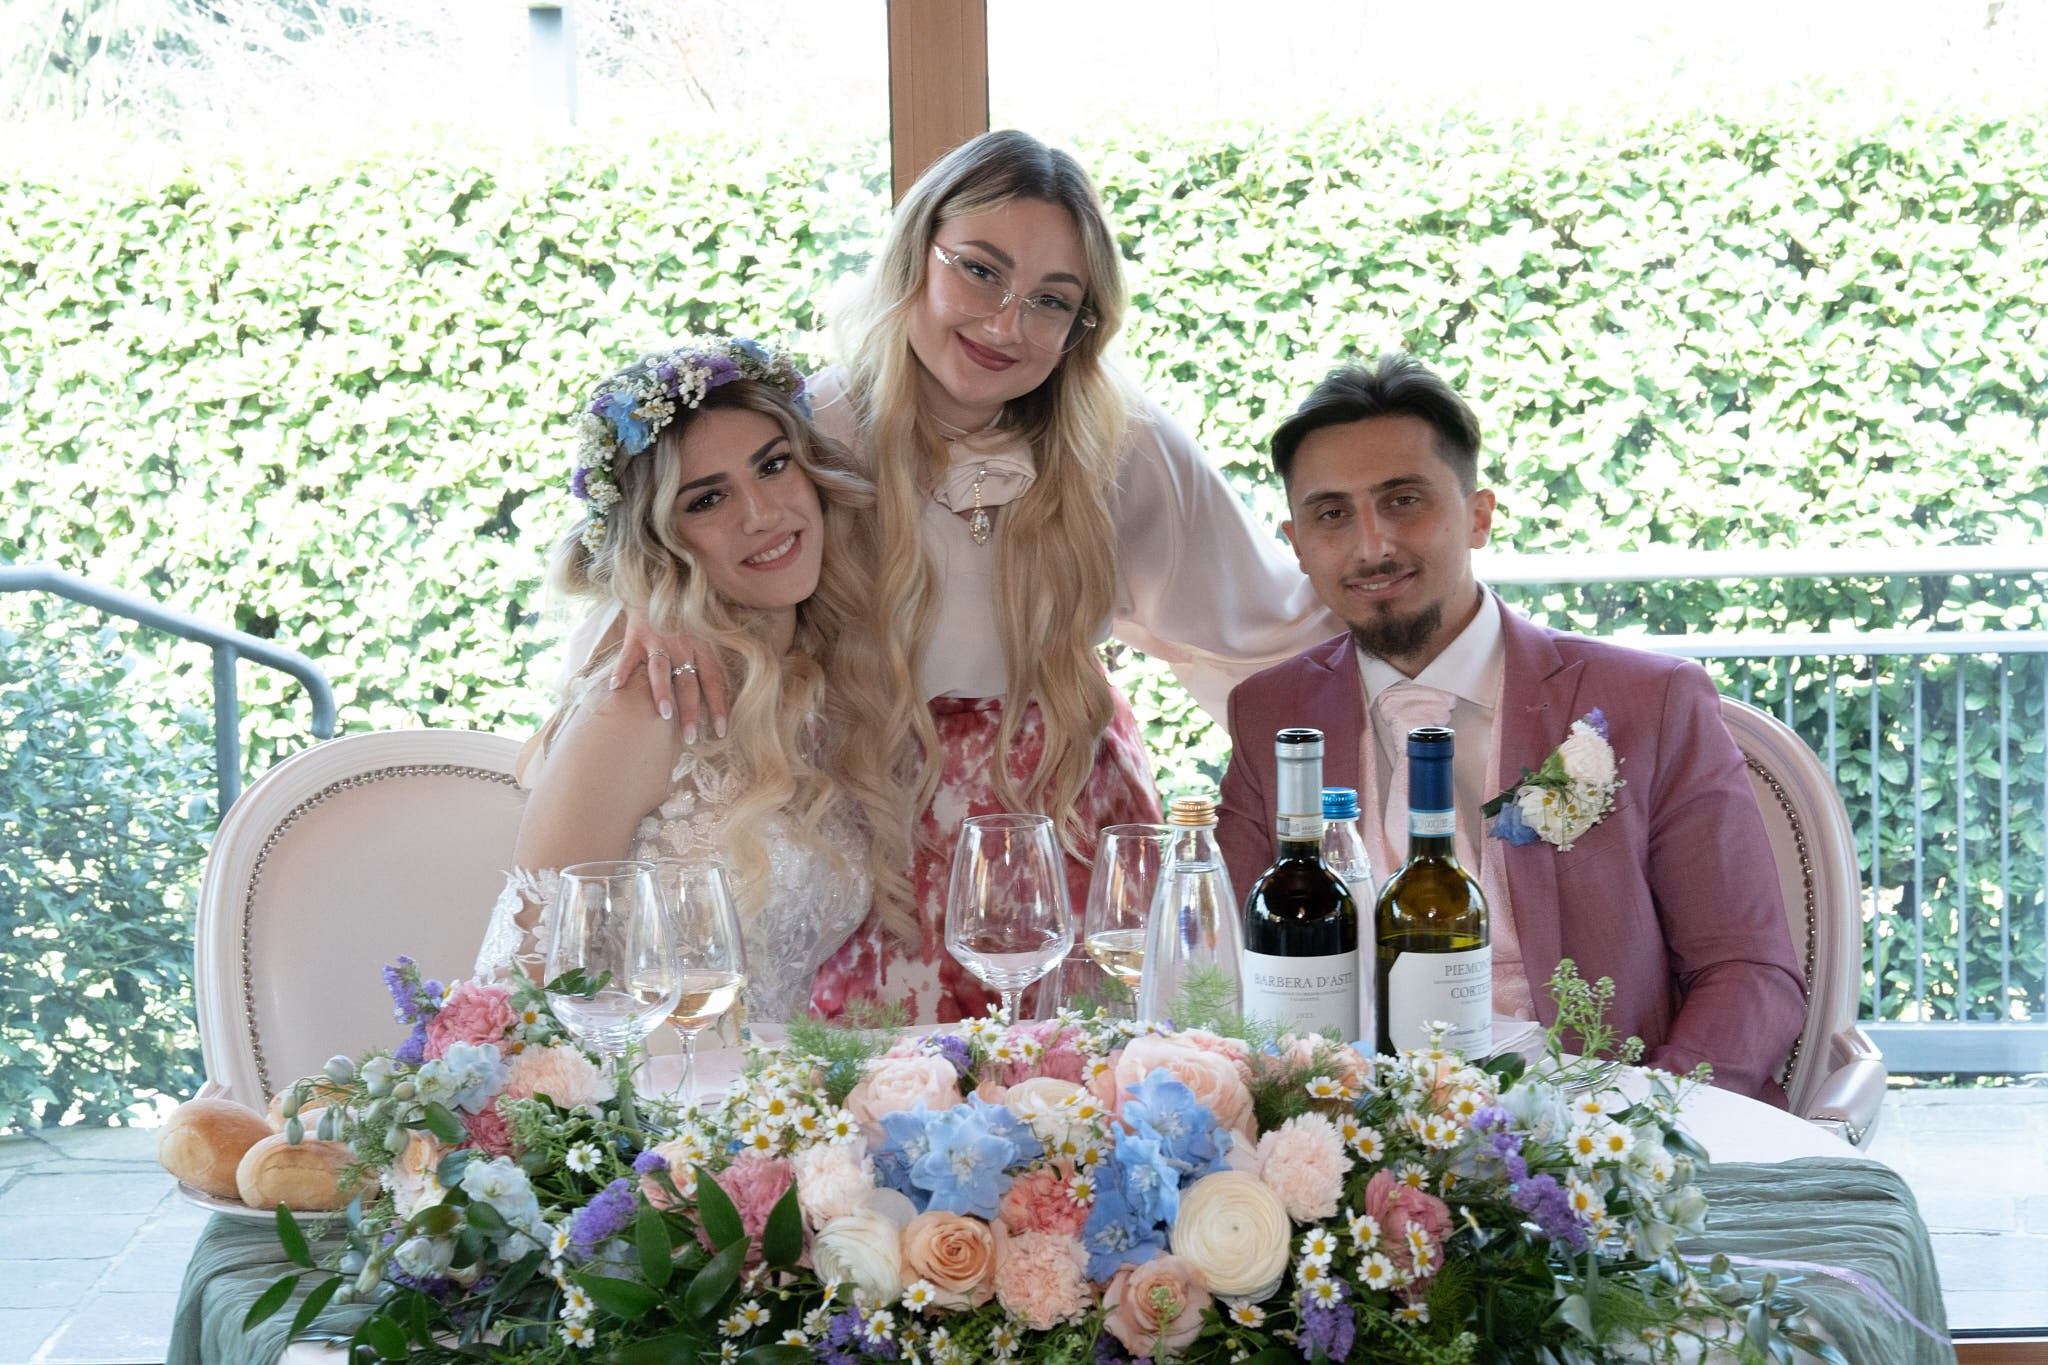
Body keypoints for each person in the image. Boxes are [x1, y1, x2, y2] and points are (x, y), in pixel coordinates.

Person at [611, 131, 1338, 1021]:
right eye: (981, 271)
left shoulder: (1123, 443)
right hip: (871, 839)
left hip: (1074, 833)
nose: (1005, 325)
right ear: (918, 251)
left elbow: (1274, 632)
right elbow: (674, 526)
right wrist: (647, 596)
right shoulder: (809, 427)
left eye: (1051, 300)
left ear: (1082, 325)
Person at [1215, 352, 1806, 1104]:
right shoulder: (1272, 713)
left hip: (1592, 1123)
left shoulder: (1649, 701)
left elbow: (1748, 972)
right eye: (1331, 514)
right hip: (1350, 1129)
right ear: (1296, 543)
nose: (1372, 546)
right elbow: (1225, 966)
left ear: (1479, 514)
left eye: (1403, 500)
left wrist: (1643, 1125)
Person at [474, 336, 910, 1027]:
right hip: (640, 1090)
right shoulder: (641, 705)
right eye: (707, 500)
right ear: (659, 541)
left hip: (769, 1090)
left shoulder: (816, 687)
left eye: (774, 466)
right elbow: (515, 997)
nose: (763, 514)